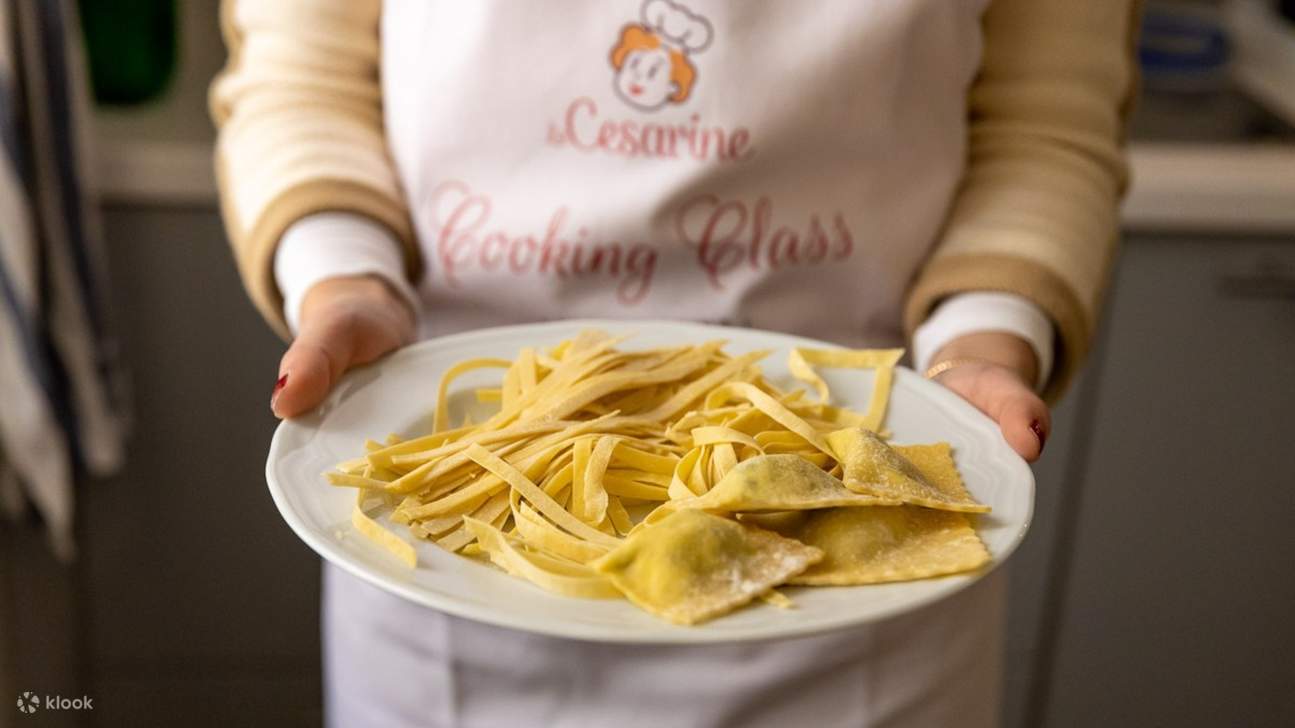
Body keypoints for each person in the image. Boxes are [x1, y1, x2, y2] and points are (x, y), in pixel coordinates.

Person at [211, 0, 1137, 725]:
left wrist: (981, 335)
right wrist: (346, 283)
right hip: (444, 545)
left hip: (857, 588)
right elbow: (304, 78)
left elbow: (1041, 122)